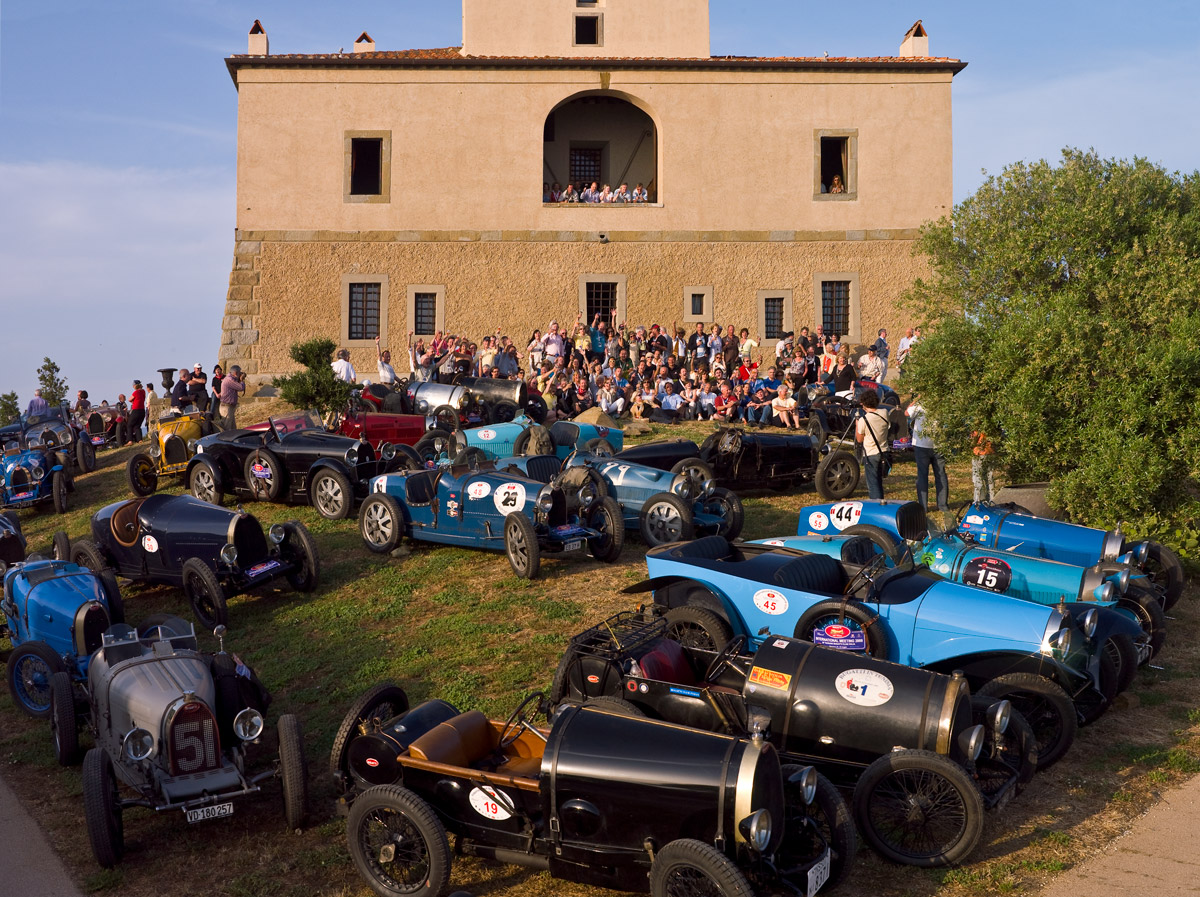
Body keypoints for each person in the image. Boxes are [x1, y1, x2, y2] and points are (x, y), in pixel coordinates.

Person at [908, 399, 949, 512]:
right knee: (941, 474)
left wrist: (916, 399)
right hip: (938, 443)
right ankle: (943, 505)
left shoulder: (921, 405)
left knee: (922, 475)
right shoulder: (942, 403)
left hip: (921, 444)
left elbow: (907, 412)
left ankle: (923, 506)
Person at [855, 389, 890, 499]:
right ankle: (881, 501)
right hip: (884, 451)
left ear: (864, 403)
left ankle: (876, 504)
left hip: (871, 453)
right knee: (879, 481)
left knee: (873, 484)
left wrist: (857, 425)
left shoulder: (863, 420)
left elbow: (859, 439)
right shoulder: (884, 413)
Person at [218, 365, 246, 431]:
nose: (240, 374)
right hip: (226, 407)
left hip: (229, 407)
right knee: (228, 429)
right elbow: (241, 387)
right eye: (239, 372)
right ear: (235, 373)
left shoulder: (230, 379)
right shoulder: (229, 380)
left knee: (233, 429)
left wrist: (240, 379)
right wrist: (242, 380)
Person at [972, 431, 996, 502]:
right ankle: (991, 500)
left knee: (978, 479)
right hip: (990, 452)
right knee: (989, 479)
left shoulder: (977, 427)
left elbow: (974, 439)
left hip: (979, 453)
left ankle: (978, 501)